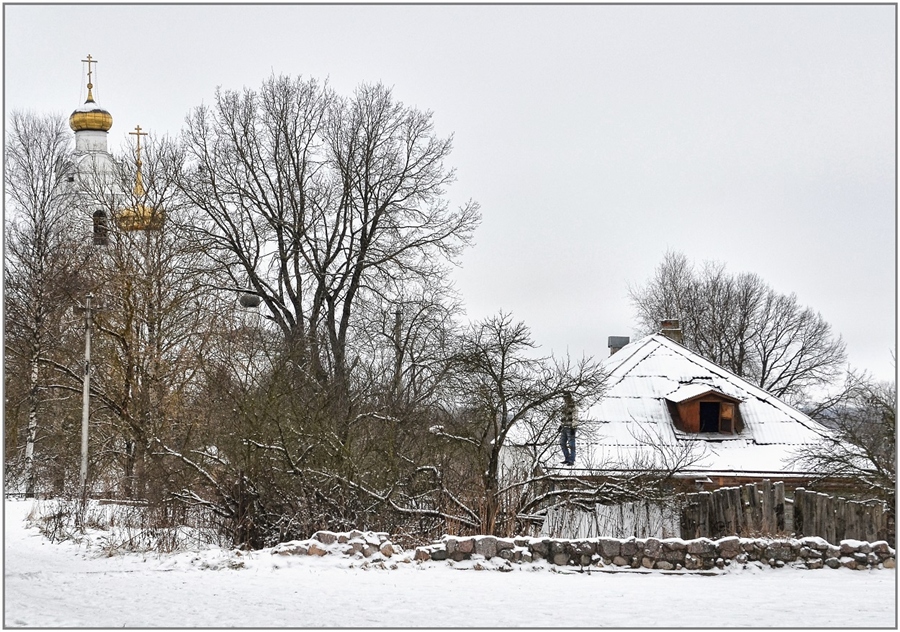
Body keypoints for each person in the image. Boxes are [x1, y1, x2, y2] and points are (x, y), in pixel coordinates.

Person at [559, 391, 577, 466]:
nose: (565, 399)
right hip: (564, 427)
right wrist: (561, 425)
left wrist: (574, 427)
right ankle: (567, 458)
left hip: (570, 427)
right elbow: (563, 417)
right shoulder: (564, 406)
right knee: (562, 443)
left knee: (571, 444)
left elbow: (575, 417)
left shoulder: (573, 405)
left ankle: (571, 460)